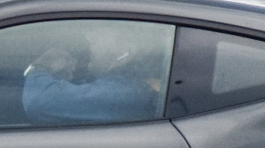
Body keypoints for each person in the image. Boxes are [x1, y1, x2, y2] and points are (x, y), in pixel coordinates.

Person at [22, 36, 162, 125]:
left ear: (126, 53)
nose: (89, 38)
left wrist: (41, 66)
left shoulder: (128, 93)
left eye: (99, 32)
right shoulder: (124, 86)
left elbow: (39, 102)